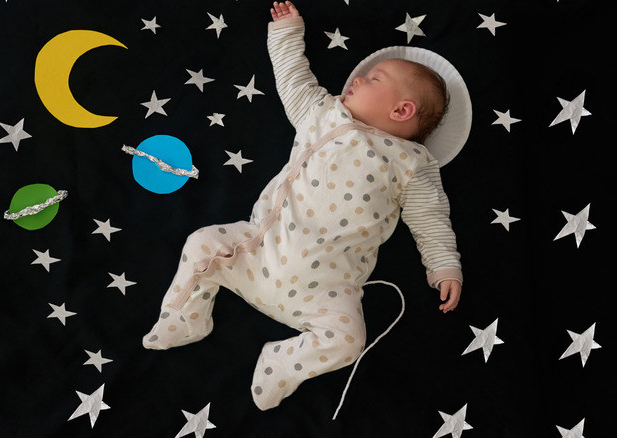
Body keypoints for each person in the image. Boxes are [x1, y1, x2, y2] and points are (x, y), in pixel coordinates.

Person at [143, 1, 467, 411]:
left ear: (401, 110)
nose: (358, 78)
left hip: (325, 291)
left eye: (374, 78)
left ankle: (283, 362)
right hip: (256, 251)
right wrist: (286, 32)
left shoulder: (413, 164)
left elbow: (431, 219)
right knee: (201, 243)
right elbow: (293, 79)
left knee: (349, 340)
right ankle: (184, 316)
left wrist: (443, 266)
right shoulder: (324, 114)